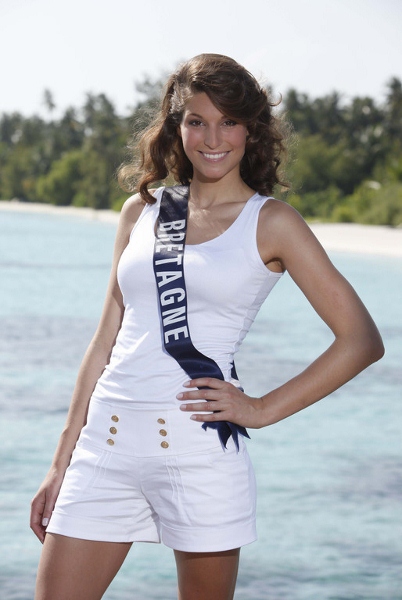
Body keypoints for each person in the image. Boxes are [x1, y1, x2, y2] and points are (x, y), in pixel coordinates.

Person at [30, 53, 384, 600]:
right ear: (177, 127)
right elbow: (105, 342)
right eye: (197, 121)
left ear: (250, 129)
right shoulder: (142, 213)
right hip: (105, 444)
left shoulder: (271, 222)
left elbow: (361, 340)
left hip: (197, 453)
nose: (213, 138)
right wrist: (61, 462)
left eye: (229, 121)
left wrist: (261, 409)